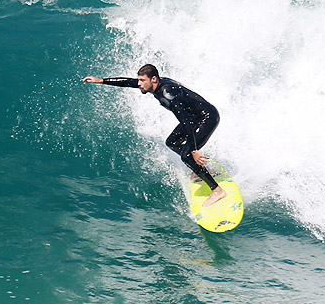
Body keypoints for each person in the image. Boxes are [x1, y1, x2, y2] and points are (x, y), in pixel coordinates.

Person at [82, 64, 227, 207]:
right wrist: (101, 80)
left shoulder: (168, 95)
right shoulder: (153, 84)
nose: (138, 84)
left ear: (154, 80)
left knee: (187, 155)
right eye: (138, 80)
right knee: (172, 142)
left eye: (141, 81)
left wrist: (194, 150)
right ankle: (200, 168)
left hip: (206, 118)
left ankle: (217, 190)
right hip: (194, 117)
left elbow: (186, 123)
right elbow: (129, 82)